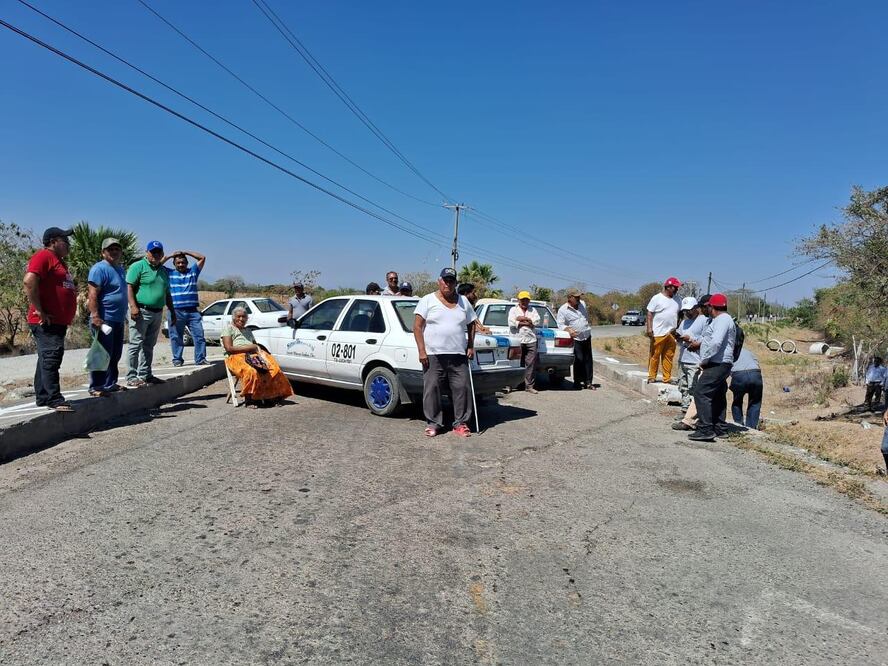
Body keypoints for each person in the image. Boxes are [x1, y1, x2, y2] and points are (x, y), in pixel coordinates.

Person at [413, 267, 477, 437]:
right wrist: (422, 351)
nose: (448, 284)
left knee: (462, 388)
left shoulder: (463, 301)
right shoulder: (427, 300)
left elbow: (472, 324)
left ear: (455, 283)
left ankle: (460, 424)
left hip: (458, 355)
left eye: (451, 281)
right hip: (433, 354)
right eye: (445, 280)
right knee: (432, 389)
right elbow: (417, 327)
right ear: (439, 281)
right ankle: (434, 423)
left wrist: (471, 345)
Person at [22, 226, 77, 412]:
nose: (68, 244)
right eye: (65, 240)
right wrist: (40, 310)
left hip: (57, 321)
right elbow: (29, 281)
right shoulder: (44, 256)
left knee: (45, 358)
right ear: (53, 242)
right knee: (51, 357)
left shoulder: (58, 261)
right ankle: (55, 399)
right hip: (46, 321)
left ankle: (43, 396)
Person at [221, 307, 293, 408]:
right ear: (233, 318)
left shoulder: (248, 330)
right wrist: (250, 347)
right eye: (238, 316)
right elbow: (229, 348)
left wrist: (259, 352)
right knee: (251, 371)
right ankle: (250, 400)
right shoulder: (228, 329)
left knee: (273, 369)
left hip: (252, 355)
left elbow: (255, 345)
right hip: (235, 357)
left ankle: (271, 397)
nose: (241, 319)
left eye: (244, 317)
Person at [126, 241, 175, 387]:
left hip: (157, 312)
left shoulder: (164, 271)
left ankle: (146, 374)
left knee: (149, 345)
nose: (156, 255)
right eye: (153, 252)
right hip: (141, 311)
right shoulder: (138, 266)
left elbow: (167, 293)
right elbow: (129, 287)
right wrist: (133, 307)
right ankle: (131, 376)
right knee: (135, 344)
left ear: (162, 254)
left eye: (159, 252)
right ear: (147, 253)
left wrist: (172, 311)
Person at [688, 293, 735, 442]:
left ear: (711, 307)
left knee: (701, 393)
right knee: (718, 395)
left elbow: (715, 342)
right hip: (721, 363)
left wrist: (704, 360)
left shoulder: (722, 320)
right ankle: (720, 428)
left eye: (707, 307)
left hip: (718, 363)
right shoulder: (723, 320)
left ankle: (705, 429)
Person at [86, 238, 128, 397]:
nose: (114, 252)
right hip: (105, 319)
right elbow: (92, 294)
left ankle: (110, 383)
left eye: (117, 249)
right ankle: (96, 386)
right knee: (102, 353)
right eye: (110, 249)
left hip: (118, 319)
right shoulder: (99, 269)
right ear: (103, 252)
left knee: (115, 354)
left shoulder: (120, 269)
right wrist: (95, 316)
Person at [163, 249, 207, 367]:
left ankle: (200, 359)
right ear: (174, 264)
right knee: (176, 337)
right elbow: (157, 264)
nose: (181, 264)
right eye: (178, 263)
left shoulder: (193, 272)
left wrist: (185, 252)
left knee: (199, 335)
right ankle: (177, 359)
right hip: (175, 311)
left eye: (183, 262)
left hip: (193, 311)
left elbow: (202, 257)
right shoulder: (169, 273)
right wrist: (171, 255)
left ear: (187, 263)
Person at [646, 277, 682, 384]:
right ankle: (652, 376)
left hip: (671, 333)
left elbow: (680, 314)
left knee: (668, 356)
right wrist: (649, 328)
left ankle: (667, 378)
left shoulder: (678, 300)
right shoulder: (657, 298)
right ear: (668, 287)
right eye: (675, 287)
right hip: (658, 333)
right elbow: (649, 313)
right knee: (655, 355)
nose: (677, 289)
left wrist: (678, 326)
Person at [557, 288, 594, 390]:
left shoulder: (583, 304)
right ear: (570, 298)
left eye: (579, 297)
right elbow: (560, 324)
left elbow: (585, 318)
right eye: (576, 297)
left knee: (588, 360)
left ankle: (588, 382)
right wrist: (568, 329)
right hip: (576, 338)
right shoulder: (563, 310)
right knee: (578, 360)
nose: (578, 298)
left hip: (586, 336)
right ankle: (577, 382)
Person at [675, 297, 706, 410]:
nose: (687, 313)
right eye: (685, 311)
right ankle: (685, 408)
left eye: (689, 310)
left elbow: (707, 339)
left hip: (695, 361)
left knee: (693, 386)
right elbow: (679, 338)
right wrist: (678, 337)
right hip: (683, 358)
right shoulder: (684, 322)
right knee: (682, 385)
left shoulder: (704, 320)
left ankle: (693, 411)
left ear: (696, 308)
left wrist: (691, 339)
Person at [509, 291, 541, 394]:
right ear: (518, 300)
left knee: (530, 364)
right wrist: (528, 322)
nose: (524, 302)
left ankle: (529, 386)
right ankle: (510, 385)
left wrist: (523, 319)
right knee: (514, 363)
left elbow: (536, 321)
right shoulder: (513, 310)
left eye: (526, 300)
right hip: (517, 339)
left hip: (531, 339)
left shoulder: (533, 310)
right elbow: (512, 323)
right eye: (522, 300)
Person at [730, 348, 764, 429]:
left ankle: (738, 425)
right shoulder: (747, 351)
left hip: (739, 375)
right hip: (755, 374)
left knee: (737, 402)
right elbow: (757, 364)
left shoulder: (728, 351)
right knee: (755, 402)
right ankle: (751, 427)